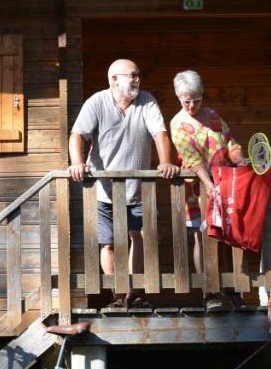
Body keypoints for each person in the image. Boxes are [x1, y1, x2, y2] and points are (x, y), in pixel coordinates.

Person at [69, 58, 178, 309]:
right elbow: (77, 135)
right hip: (103, 189)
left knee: (138, 236)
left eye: (138, 74)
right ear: (114, 79)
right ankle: (118, 294)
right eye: (132, 75)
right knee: (107, 242)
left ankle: (135, 292)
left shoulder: (147, 101)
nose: (137, 79)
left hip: (138, 189)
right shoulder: (97, 102)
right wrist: (77, 163)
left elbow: (159, 134)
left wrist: (165, 162)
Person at [168, 70, 246, 310]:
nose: (192, 105)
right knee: (201, 237)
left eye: (197, 99)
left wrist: (240, 159)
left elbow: (230, 142)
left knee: (229, 236)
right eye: (186, 100)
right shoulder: (178, 124)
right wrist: (209, 185)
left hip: (226, 183)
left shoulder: (212, 115)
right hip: (197, 190)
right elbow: (192, 160)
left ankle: (234, 290)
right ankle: (209, 292)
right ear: (179, 97)